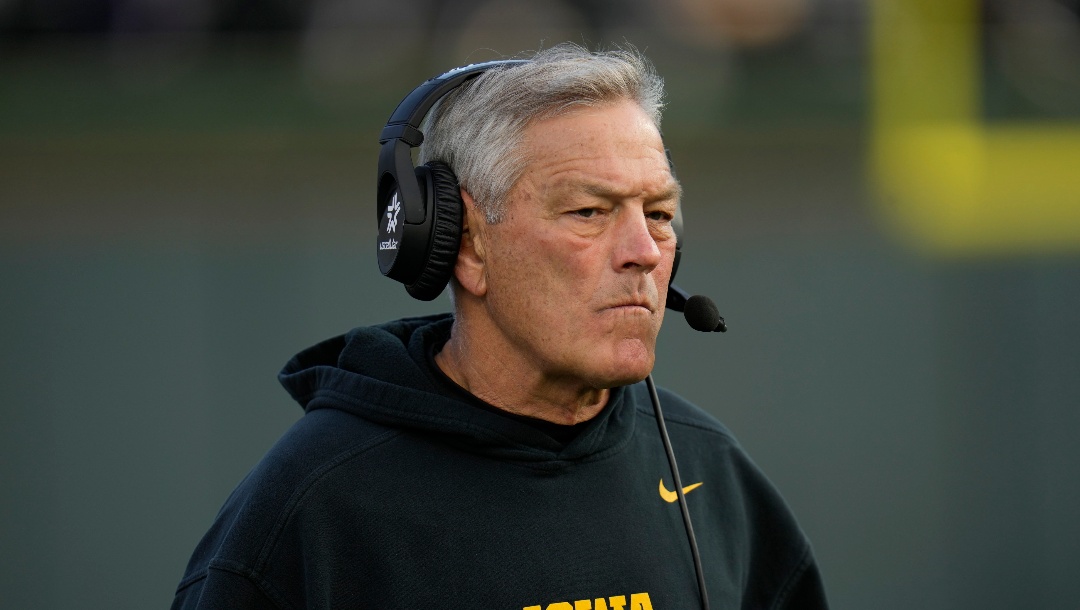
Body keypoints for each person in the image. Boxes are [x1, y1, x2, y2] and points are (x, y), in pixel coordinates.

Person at [171, 44, 828, 610]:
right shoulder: (314, 509)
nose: (645, 251)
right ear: (463, 246)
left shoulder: (710, 472)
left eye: (657, 211)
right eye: (590, 211)